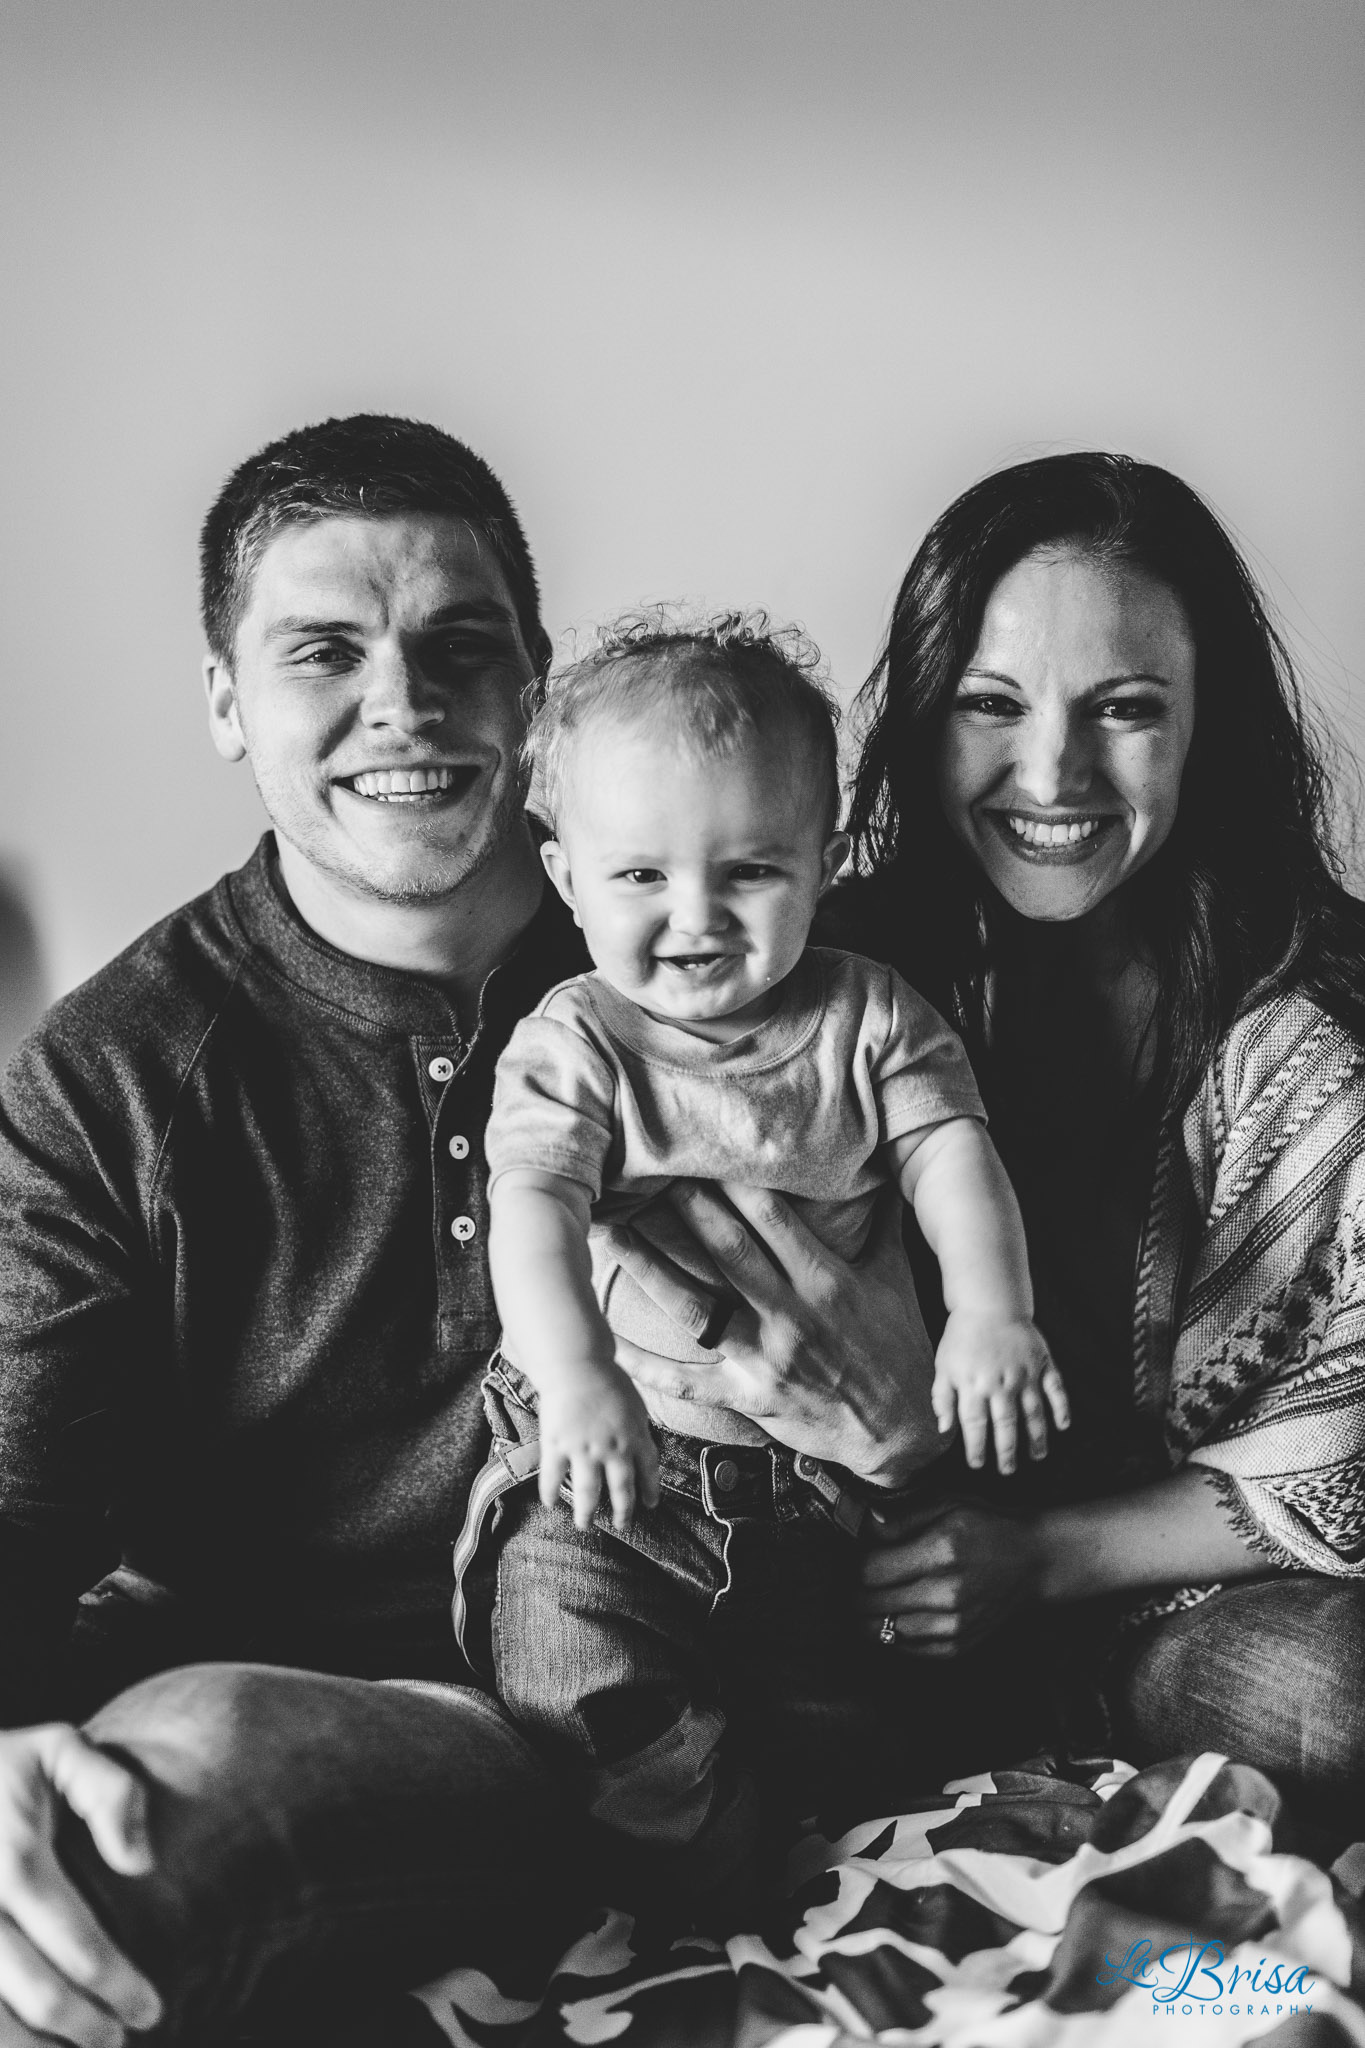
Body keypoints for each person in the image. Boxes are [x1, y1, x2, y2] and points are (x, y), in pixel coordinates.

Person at [0, 417, 942, 2048]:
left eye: (459, 646)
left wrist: (905, 1413)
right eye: (322, 654)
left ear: (537, 689)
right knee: (99, 1845)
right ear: (224, 698)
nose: (405, 705)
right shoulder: (111, 1080)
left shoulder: (757, 957)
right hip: (306, 1685)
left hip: (660, 1657)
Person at [464, 610, 1064, 1903]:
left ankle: (819, 1860)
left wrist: (988, 1316)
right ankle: (707, 1868)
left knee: (847, 1714)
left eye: (748, 871)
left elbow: (951, 1153)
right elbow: (533, 1210)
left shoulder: (869, 1014)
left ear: (824, 855)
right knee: (570, 1662)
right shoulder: (575, 1043)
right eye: (640, 878)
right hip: (614, 1479)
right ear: (562, 871)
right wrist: (574, 1377)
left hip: (821, 1497)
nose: (695, 918)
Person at [822, 452, 1364, 1845]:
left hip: (1191, 1601)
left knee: (1338, 1702)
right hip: (869, 1595)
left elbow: (1345, 1454)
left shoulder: (1322, 1017)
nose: (1050, 773)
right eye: (989, 706)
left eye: (1123, 711)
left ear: (1205, 729)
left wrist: (1039, 1560)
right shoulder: (819, 984)